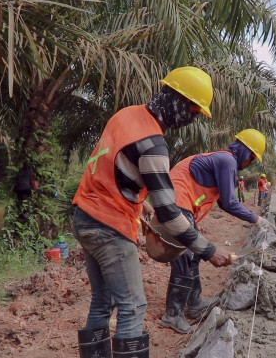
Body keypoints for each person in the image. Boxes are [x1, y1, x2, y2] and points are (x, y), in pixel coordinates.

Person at [71, 67, 233, 358]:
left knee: (102, 301)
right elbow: (170, 212)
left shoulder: (128, 114)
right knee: (133, 306)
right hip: (110, 228)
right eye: (193, 112)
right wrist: (208, 250)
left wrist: (140, 205)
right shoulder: (154, 144)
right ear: (179, 102)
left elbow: (115, 170)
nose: (191, 120)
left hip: (85, 215)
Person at [161, 129, 275, 333]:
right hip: (176, 203)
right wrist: (256, 219)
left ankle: (194, 303)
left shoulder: (223, 161)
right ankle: (172, 315)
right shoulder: (227, 161)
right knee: (184, 257)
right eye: (252, 159)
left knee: (193, 255)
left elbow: (223, 201)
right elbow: (230, 202)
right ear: (247, 153)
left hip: (179, 202)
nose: (250, 163)